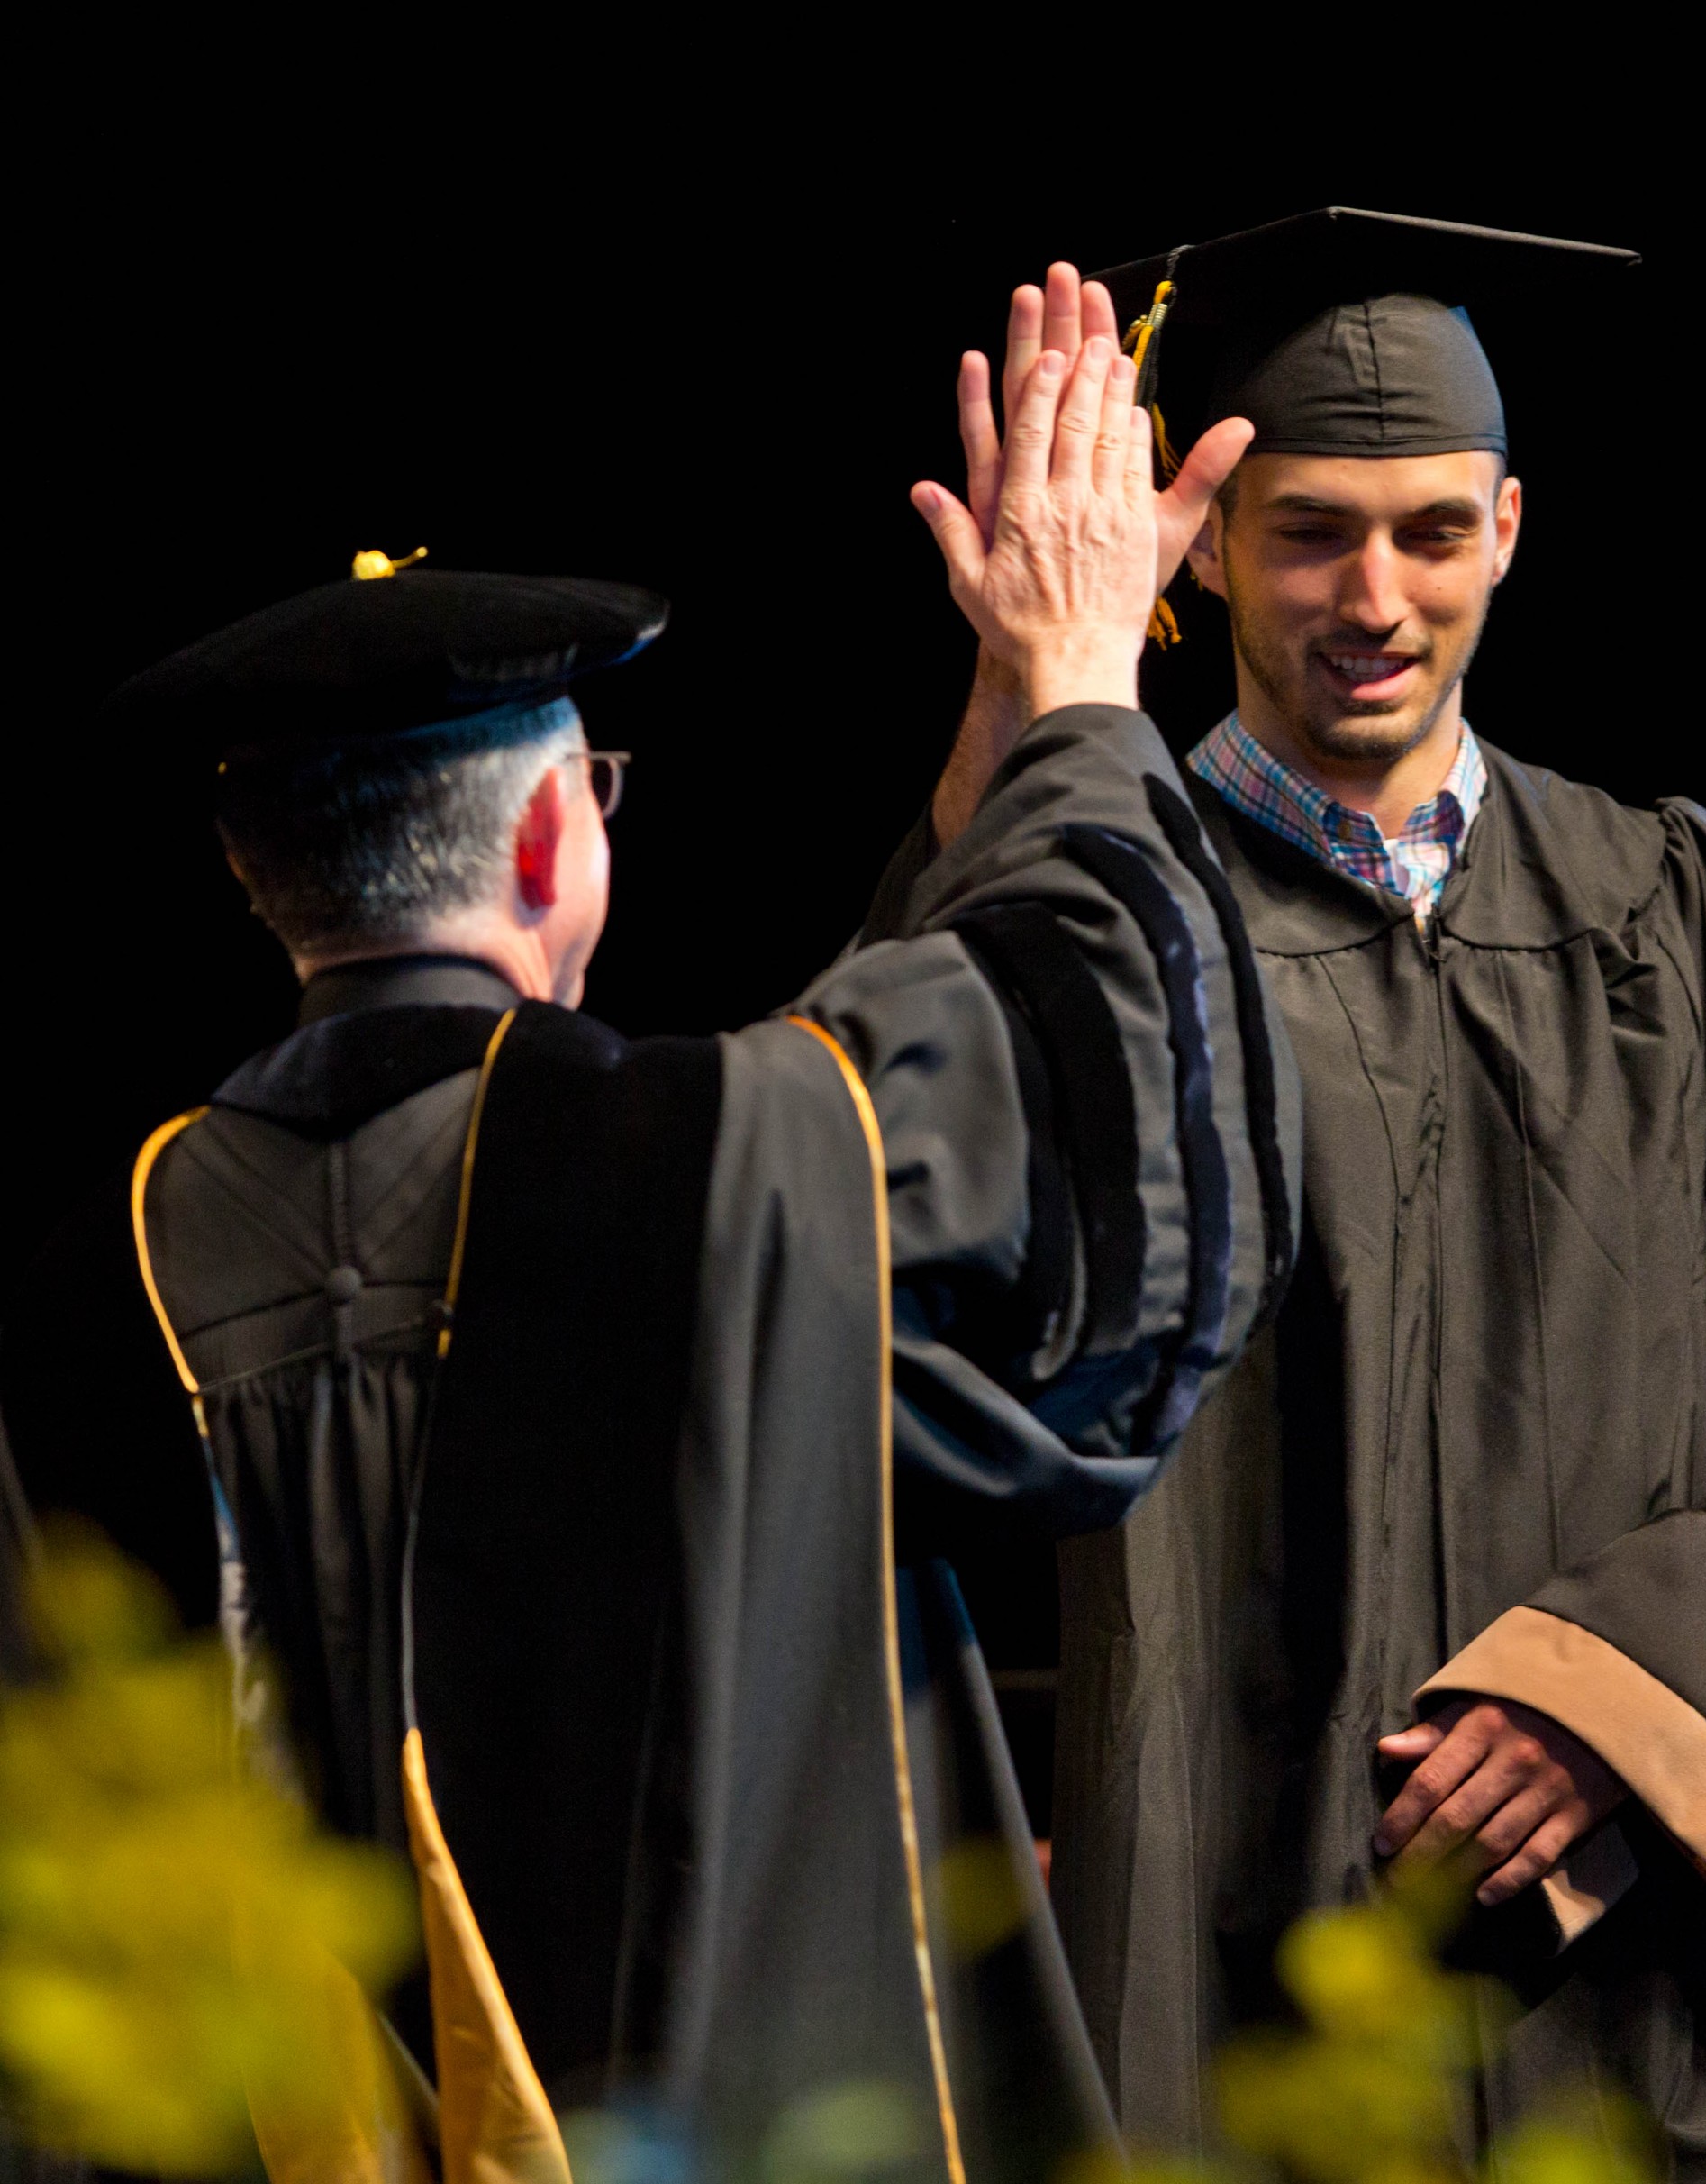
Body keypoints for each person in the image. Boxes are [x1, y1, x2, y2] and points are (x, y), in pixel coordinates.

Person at [881, 213, 1706, 2184]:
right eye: (1307, 530)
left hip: (1631, 1992)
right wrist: (1027, 718)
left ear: (1508, 527)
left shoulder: (1680, 919)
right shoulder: (1097, 926)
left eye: (1429, 531)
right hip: (1204, 1967)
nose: (1372, 597)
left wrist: (1617, 1703)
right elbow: (887, 1306)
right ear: (1201, 543)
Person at [0, 314, 1291, 2179]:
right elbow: (1114, 1176)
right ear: (550, 844)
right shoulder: (720, 1166)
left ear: (254, 879)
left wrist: (989, 783)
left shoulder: (84, 1307)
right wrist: (1082, 685)